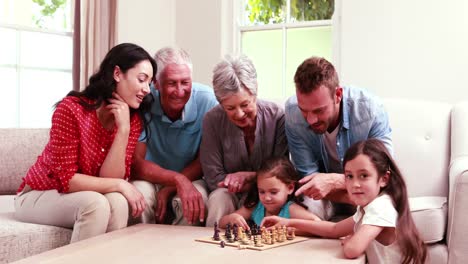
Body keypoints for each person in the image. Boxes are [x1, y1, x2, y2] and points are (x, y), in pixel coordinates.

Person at [14, 43, 156, 242]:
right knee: (95, 204)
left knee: (118, 201)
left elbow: (110, 178)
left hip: (84, 193)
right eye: (142, 80)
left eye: (149, 82)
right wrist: (121, 185)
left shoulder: (131, 119)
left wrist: (122, 131)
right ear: (117, 73)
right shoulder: (71, 109)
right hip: (40, 193)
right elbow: (67, 180)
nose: (147, 89)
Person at [262, 139, 427, 264]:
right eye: (349, 176)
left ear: (384, 179)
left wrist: (351, 239)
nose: (355, 184)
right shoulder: (367, 207)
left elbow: (352, 250)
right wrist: (288, 222)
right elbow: (334, 229)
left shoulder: (381, 206)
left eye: (364, 175)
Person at [285, 56, 392, 220]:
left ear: (338, 95)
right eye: (304, 110)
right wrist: (349, 194)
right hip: (327, 196)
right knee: (303, 207)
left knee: (381, 203)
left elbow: (384, 175)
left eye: (319, 111)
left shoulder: (371, 110)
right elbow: (310, 182)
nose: (310, 119)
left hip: (366, 192)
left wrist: (335, 181)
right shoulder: (293, 114)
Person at [131, 47, 218, 225]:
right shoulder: (143, 100)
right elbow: (136, 164)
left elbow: (205, 159)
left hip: (191, 177)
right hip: (150, 178)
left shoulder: (208, 101)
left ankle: (182, 253)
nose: (179, 91)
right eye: (171, 83)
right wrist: (177, 180)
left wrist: (174, 185)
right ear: (156, 82)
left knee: (195, 198)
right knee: (138, 197)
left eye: (185, 82)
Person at [201, 54, 288, 227]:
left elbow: (282, 172)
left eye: (245, 104)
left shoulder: (277, 116)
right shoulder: (212, 119)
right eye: (230, 108)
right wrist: (249, 182)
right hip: (228, 192)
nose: (239, 114)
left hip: (268, 192)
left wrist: (247, 177)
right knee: (219, 197)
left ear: (255, 93)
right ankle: (212, 247)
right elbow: (213, 178)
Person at [219, 157, 320, 230]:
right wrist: (232, 218)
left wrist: (289, 229)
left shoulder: (291, 209)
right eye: (262, 191)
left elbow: (317, 224)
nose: (267, 198)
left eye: (273, 192)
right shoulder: (256, 207)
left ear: (290, 188)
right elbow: (221, 223)